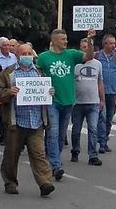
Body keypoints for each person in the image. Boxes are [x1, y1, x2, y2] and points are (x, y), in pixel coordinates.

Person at [0, 43, 55, 197]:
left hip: (36, 120)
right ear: (18, 56)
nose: (27, 56)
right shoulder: (9, 73)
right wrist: (9, 92)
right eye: (24, 54)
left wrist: (50, 91)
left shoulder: (39, 73)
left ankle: (45, 183)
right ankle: (10, 182)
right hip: (16, 122)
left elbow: (46, 90)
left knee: (39, 153)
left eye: (29, 53)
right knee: (11, 155)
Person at [36, 28, 95, 181]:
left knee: (61, 135)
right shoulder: (43, 57)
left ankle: (52, 159)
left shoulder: (71, 54)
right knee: (53, 133)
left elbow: (89, 56)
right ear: (54, 40)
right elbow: (36, 76)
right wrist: (43, 89)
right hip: (52, 101)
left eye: (66, 38)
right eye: (63, 39)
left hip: (68, 100)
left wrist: (89, 40)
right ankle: (56, 165)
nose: (66, 41)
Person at [71, 38, 104, 165]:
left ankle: (92, 155)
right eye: (83, 47)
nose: (85, 49)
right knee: (76, 130)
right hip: (77, 103)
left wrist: (102, 100)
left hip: (93, 102)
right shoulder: (75, 64)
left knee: (93, 129)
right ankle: (75, 150)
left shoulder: (98, 64)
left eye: (88, 47)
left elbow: (100, 82)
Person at [95, 33, 116, 154]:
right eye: (111, 43)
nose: (113, 45)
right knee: (102, 117)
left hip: (112, 91)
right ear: (104, 44)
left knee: (109, 117)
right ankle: (102, 142)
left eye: (114, 43)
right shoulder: (97, 56)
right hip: (100, 91)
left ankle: (104, 139)